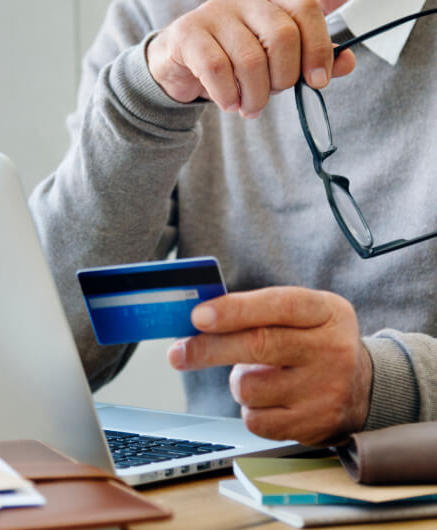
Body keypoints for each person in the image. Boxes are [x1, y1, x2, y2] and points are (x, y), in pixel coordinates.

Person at [28, 0, 437, 447]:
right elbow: (44, 355)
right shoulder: (159, 13)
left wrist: (384, 385)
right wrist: (143, 104)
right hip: (219, 491)